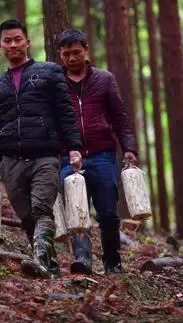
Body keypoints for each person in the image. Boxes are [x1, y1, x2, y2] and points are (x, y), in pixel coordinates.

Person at [0, 19, 83, 278]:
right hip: (10, 160)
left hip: (45, 156)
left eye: (17, 39)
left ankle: (38, 259)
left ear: (27, 42)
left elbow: (65, 112)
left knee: (41, 209)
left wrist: (73, 147)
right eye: (7, 40)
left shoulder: (49, 72)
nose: (13, 44)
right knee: (27, 216)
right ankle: (50, 266)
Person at [56, 28, 138, 274]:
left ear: (86, 50)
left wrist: (129, 148)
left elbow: (120, 117)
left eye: (76, 52)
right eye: (66, 54)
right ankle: (82, 260)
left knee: (108, 212)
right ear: (60, 54)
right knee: (76, 210)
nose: (72, 58)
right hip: (67, 157)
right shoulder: (55, 82)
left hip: (103, 154)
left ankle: (113, 262)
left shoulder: (104, 79)